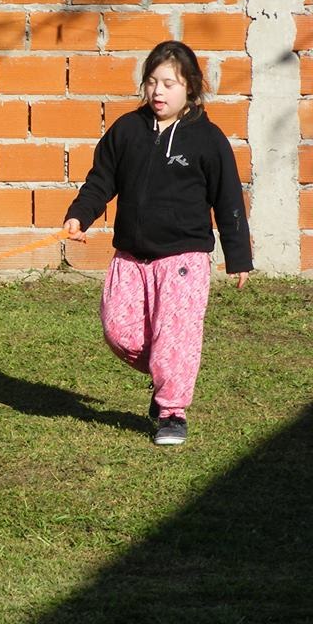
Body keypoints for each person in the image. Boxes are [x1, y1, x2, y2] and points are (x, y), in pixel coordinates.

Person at [63, 40, 252, 446]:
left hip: (184, 261)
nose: (158, 91)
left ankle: (172, 412)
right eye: (151, 82)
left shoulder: (208, 140)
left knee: (175, 337)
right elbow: (100, 181)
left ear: (191, 88)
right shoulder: (127, 130)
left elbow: (229, 200)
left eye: (169, 83)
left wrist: (238, 257)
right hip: (131, 257)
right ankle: (169, 373)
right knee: (119, 331)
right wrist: (80, 214)